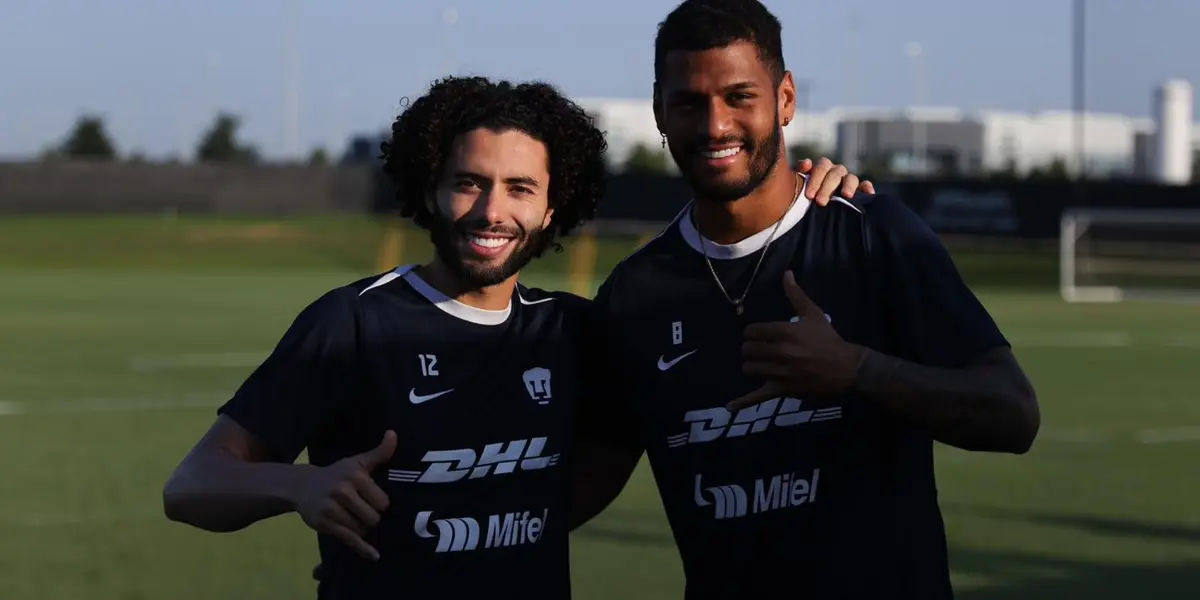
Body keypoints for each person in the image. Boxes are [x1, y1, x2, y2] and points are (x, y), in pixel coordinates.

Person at [162, 74, 871, 599]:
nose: (491, 210)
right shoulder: (352, 323)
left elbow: (621, 443)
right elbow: (192, 486)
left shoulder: (573, 333)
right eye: (468, 183)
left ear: (553, 206)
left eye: (520, 188)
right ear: (429, 188)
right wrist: (301, 485)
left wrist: (804, 192)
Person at [575, 1, 1042, 599]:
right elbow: (586, 482)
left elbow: (1014, 414)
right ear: (661, 112)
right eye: (690, 102)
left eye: (740, 96)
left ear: (785, 99)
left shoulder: (870, 236)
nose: (715, 125)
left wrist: (857, 370)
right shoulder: (634, 295)